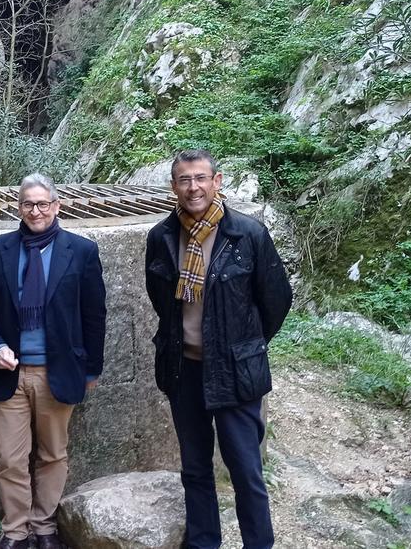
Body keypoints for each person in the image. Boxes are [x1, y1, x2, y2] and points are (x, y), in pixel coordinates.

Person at [144, 150, 292, 549]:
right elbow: (161, 300)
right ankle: (204, 542)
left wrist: (243, 346)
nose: (193, 188)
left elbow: (275, 300)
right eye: (184, 180)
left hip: (234, 372)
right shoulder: (162, 237)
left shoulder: (247, 234)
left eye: (200, 178)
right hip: (184, 369)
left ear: (217, 181)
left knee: (245, 470)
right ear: (174, 186)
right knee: (194, 468)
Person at [0, 173, 107, 549]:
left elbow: (94, 314)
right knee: (10, 459)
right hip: (9, 372)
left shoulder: (80, 251)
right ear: (19, 207)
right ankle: (15, 532)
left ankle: (44, 528)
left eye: (43, 204)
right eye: (28, 204)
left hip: (58, 371)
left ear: (56, 206)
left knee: (53, 454)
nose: (36, 211)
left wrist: (91, 368)